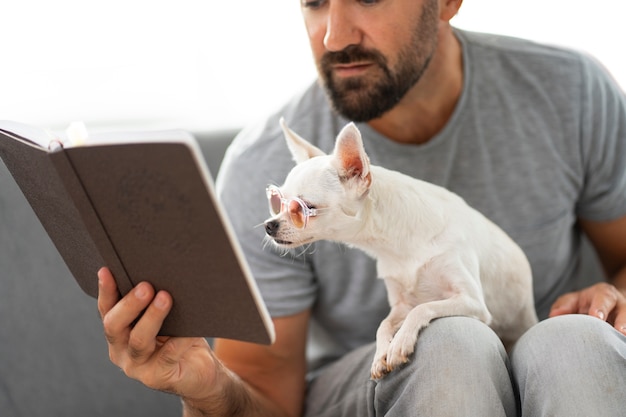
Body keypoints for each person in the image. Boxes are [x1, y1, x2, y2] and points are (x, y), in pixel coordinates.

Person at [97, 0, 626, 415]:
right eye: (314, 1)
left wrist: (615, 302)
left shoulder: (571, 93)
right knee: (449, 346)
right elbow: (266, 398)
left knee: (575, 345)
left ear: (448, 0)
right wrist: (208, 387)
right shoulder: (261, 165)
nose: (334, 35)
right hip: (368, 388)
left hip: (534, 354)